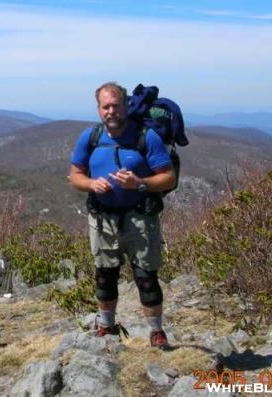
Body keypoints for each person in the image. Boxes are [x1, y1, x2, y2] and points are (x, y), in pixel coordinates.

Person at [69, 81, 176, 349]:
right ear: (98, 109)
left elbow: (168, 178)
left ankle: (156, 332)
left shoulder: (145, 137)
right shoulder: (90, 137)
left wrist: (139, 183)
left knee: (145, 276)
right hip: (102, 217)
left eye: (116, 105)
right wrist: (91, 184)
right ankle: (107, 327)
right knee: (105, 274)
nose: (111, 111)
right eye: (106, 106)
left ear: (126, 105)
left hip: (140, 217)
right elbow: (75, 175)